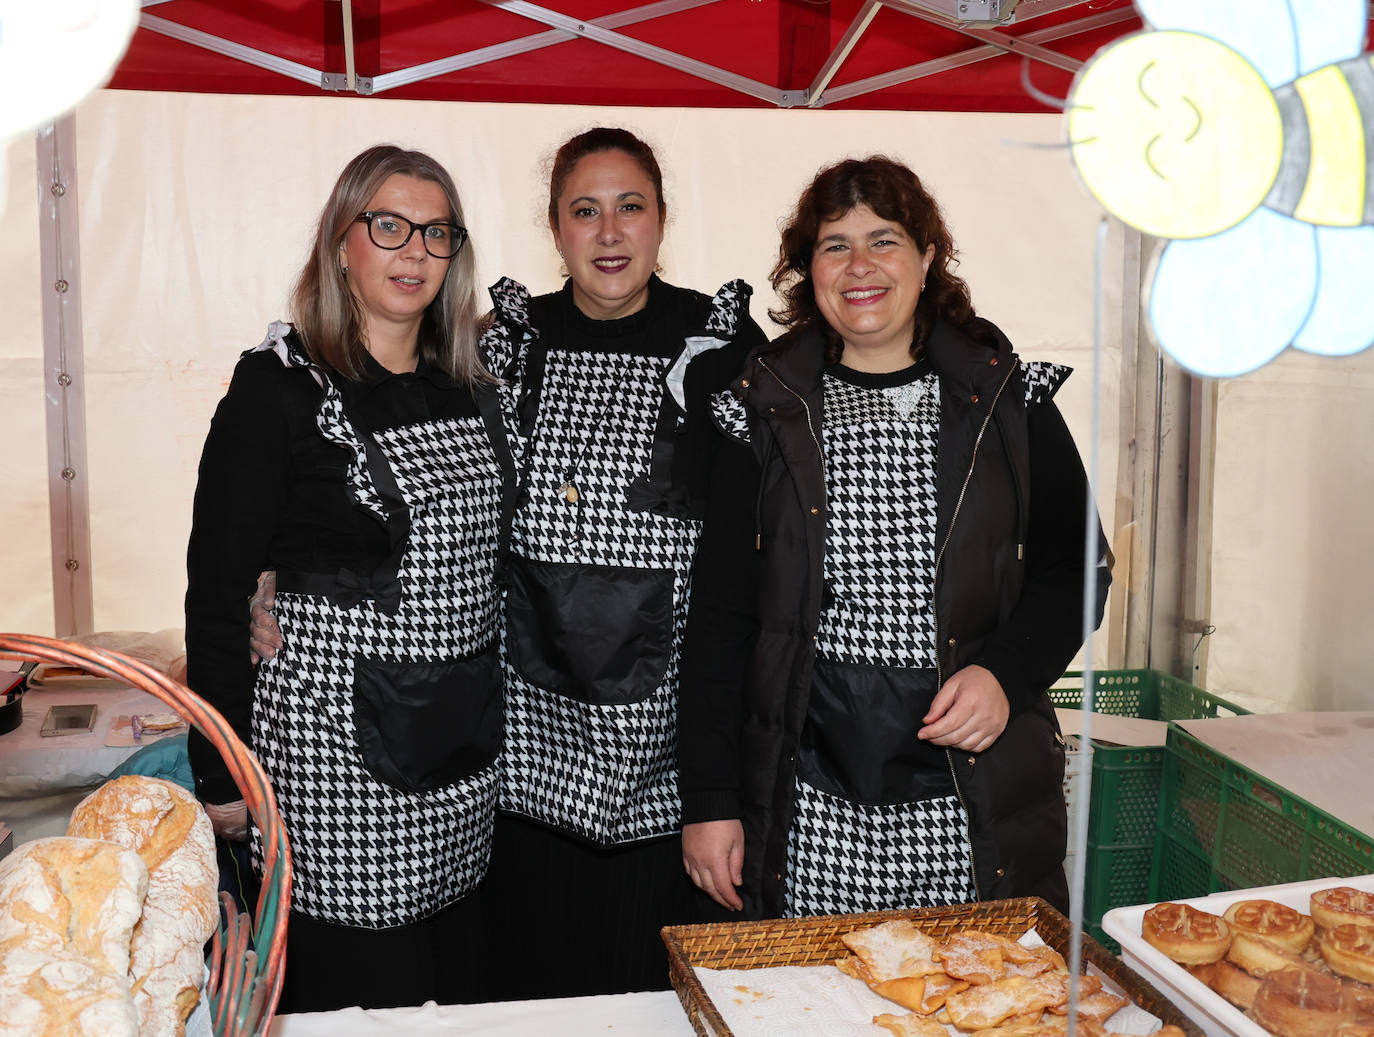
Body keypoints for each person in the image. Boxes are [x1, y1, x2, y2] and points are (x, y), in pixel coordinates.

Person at [678, 156, 1111, 920]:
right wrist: (711, 798)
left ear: (928, 256)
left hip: (968, 797)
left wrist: (1003, 676)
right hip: (808, 803)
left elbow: (1076, 566)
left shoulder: (1005, 398)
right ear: (806, 268)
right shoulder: (762, 408)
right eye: (834, 245)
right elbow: (720, 617)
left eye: (884, 240)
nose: (860, 266)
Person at [185, 145, 510, 1012]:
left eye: (436, 233)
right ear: (340, 242)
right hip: (335, 772)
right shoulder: (280, 389)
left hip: (462, 760)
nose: (415, 252)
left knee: (455, 991)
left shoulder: (472, 386)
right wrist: (224, 775)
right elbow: (218, 592)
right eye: (390, 225)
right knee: (359, 1000)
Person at [477, 126, 767, 997]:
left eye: (630, 207)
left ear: (662, 220)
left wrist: (717, 786)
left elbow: (751, 568)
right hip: (525, 762)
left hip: (674, 767)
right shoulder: (505, 347)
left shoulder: (721, 350)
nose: (610, 232)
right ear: (555, 228)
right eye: (585, 211)